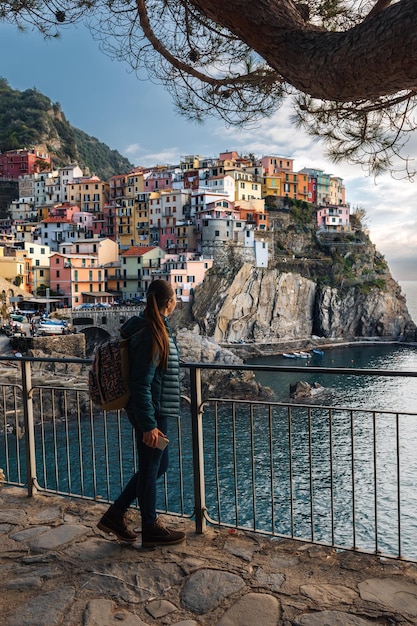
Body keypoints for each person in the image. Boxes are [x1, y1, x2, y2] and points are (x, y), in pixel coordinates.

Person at [97, 280, 185, 547]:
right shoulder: (151, 334)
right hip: (152, 411)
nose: (177, 301)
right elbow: (140, 381)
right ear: (169, 302)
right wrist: (148, 424)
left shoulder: (148, 327)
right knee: (150, 468)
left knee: (159, 465)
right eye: (175, 297)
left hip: (152, 409)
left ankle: (116, 514)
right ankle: (150, 526)